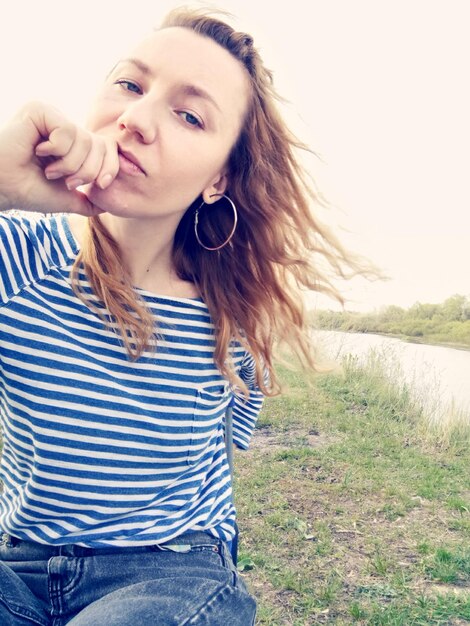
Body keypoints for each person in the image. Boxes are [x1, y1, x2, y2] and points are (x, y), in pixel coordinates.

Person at [0, 6, 363, 625]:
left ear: (219, 178)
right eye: (129, 85)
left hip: (169, 569)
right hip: (20, 567)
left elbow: (228, 438)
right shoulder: (19, 257)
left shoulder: (231, 316)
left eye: (189, 115)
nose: (135, 119)